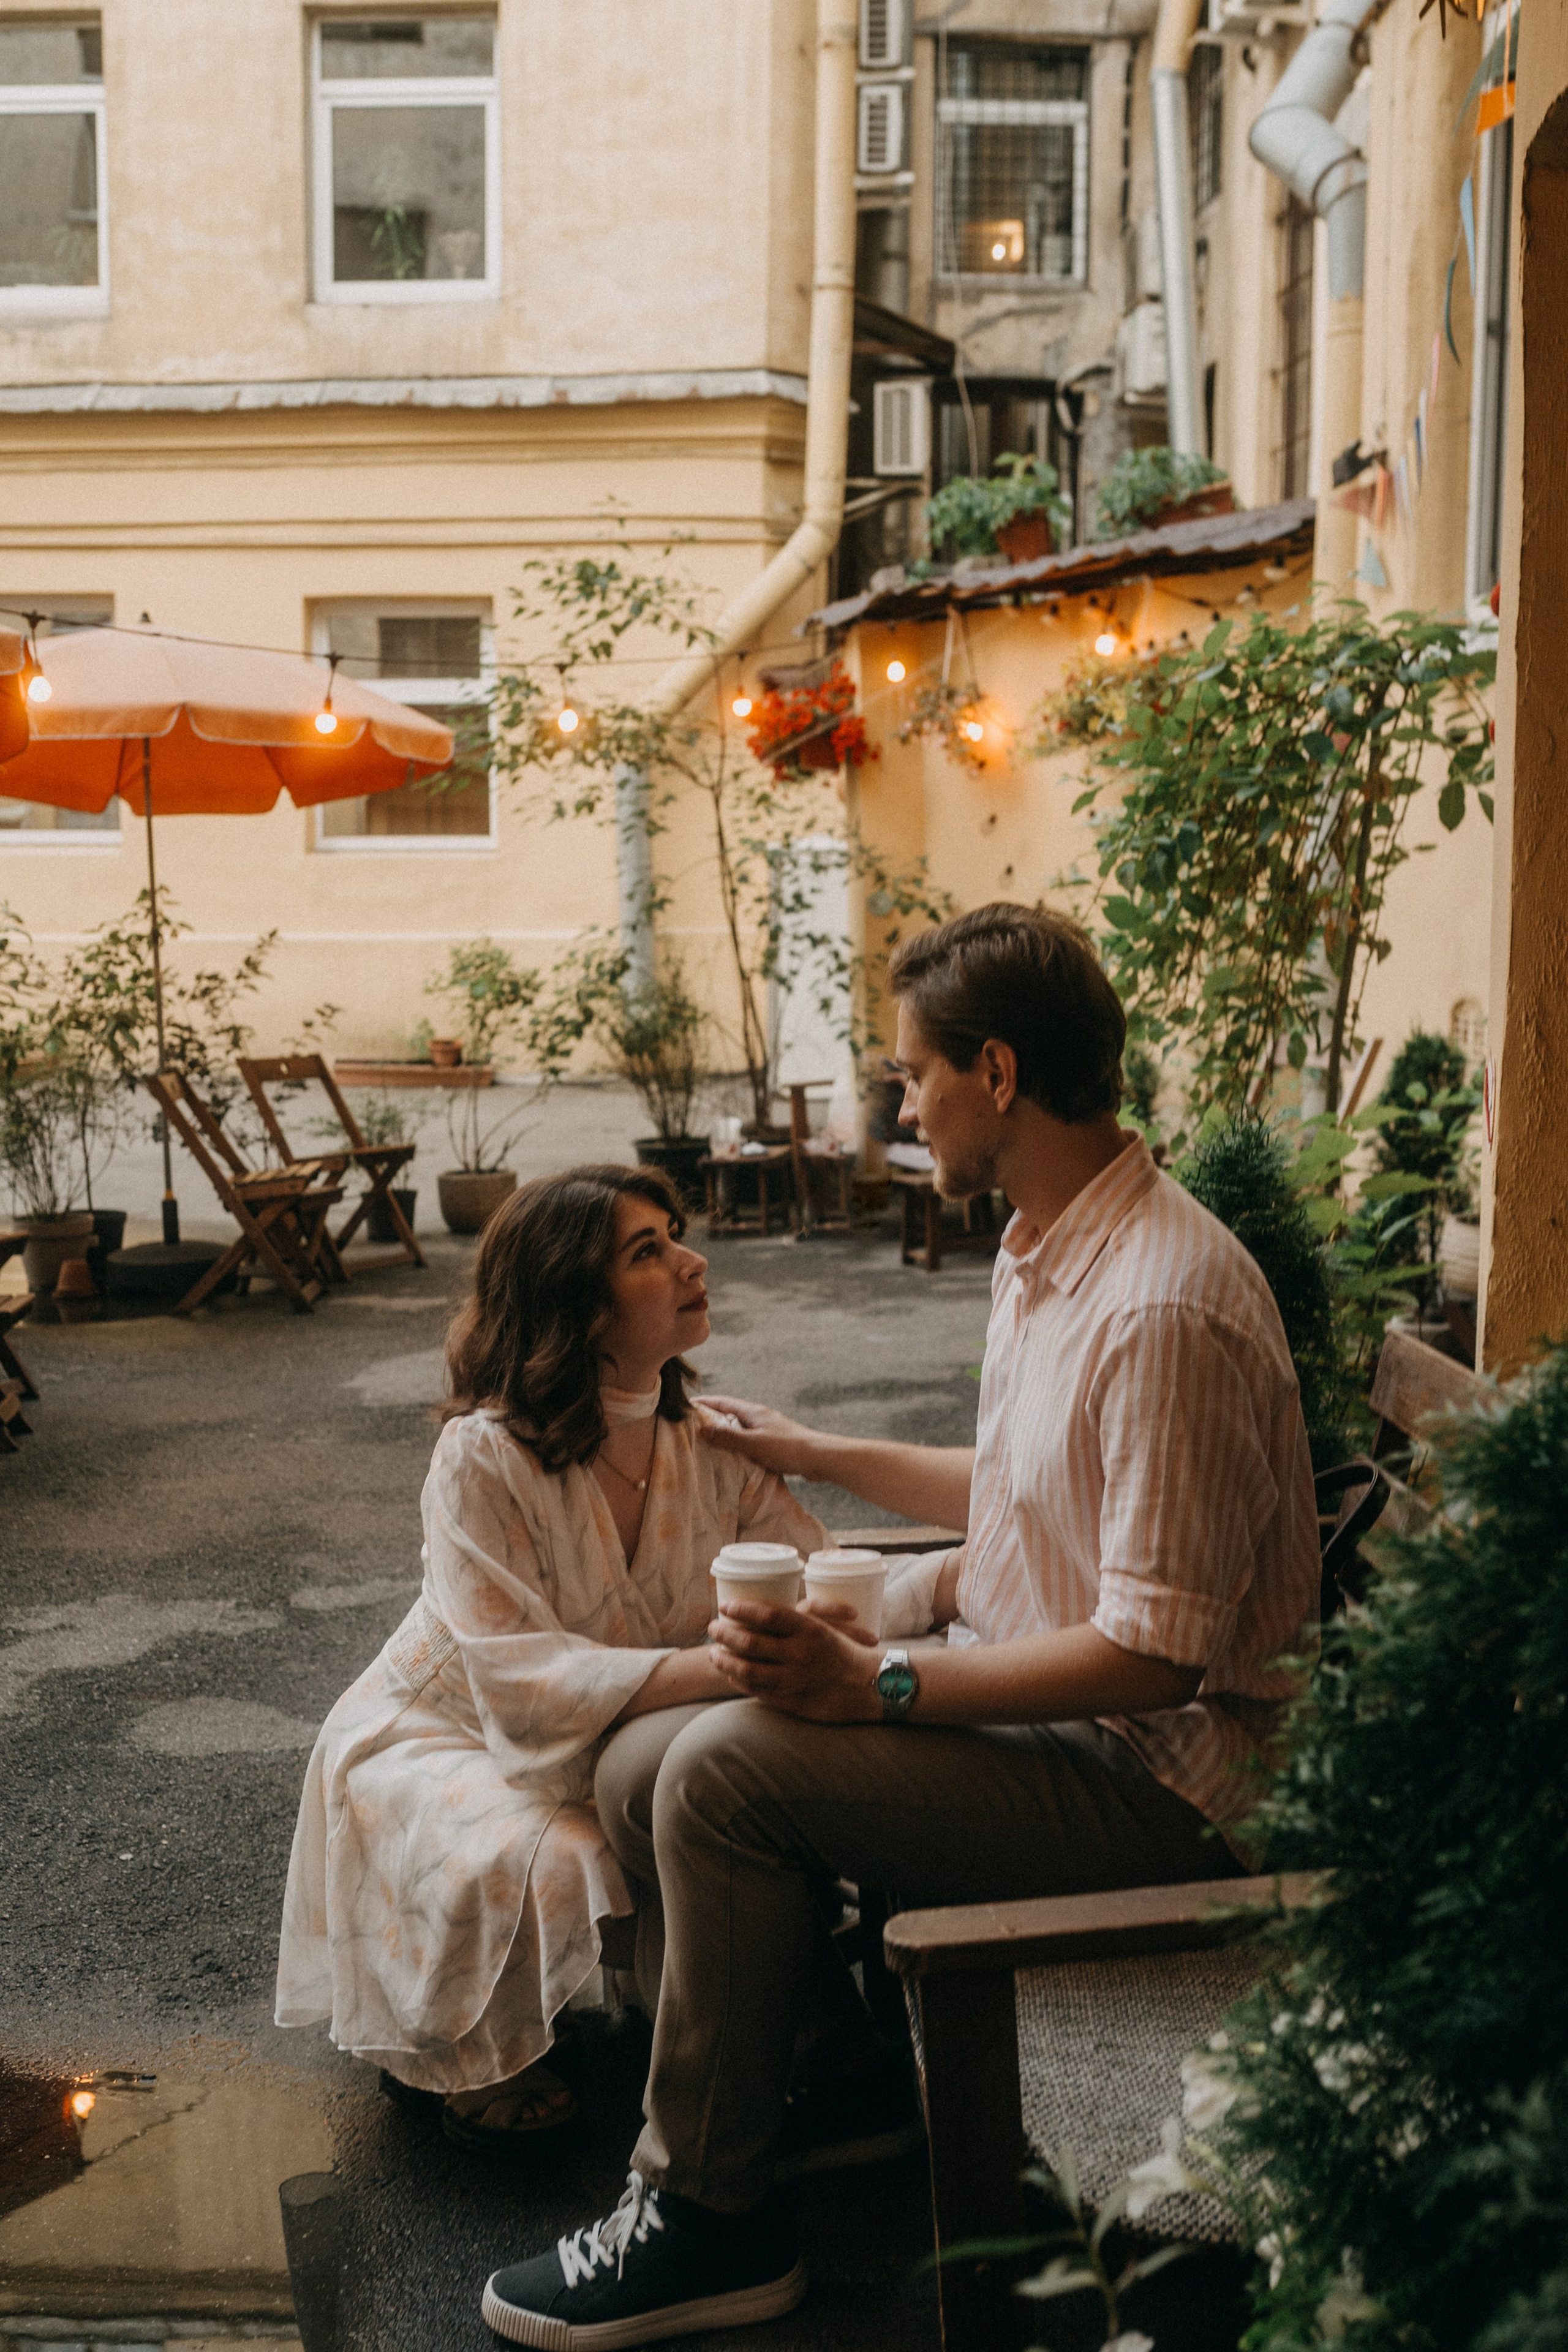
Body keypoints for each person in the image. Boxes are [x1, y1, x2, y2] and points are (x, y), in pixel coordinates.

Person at [478, 903, 1321, 2346]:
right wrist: (817, 1457)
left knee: (729, 1771)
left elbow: (1153, 1654)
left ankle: (707, 2214)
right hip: (1068, 1721)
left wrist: (877, 1684)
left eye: (909, 1074)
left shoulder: (1159, 1303)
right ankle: (815, 2081)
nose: (895, 1102)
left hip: (1164, 1784)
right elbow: (1027, 1489)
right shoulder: (1048, 1244)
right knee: (635, 1764)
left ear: (995, 1074)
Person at [273, 1163, 829, 2152]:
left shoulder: (712, 1443)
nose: (694, 1262)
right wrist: (736, 1665)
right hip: (447, 1736)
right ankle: (474, 2052)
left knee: (708, 1798)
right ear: (578, 1305)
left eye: (676, 1236)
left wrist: (957, 1580)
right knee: (580, 1853)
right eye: (647, 1251)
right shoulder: (482, 1458)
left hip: (621, 1719)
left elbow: (820, 1580)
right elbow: (522, 1687)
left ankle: (738, 2042)